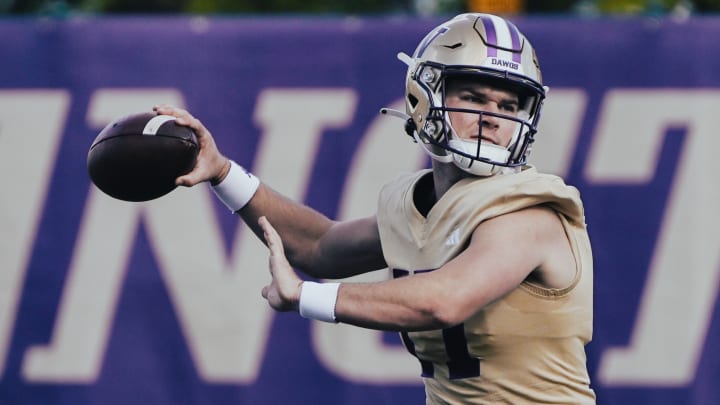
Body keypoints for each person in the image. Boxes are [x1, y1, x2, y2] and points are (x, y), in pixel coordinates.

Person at [154, 12, 596, 404]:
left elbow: (444, 300)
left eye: (509, 104)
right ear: (425, 95)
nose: (494, 117)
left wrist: (306, 297)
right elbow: (318, 245)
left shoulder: (530, 213)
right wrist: (222, 172)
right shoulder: (418, 204)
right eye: (475, 98)